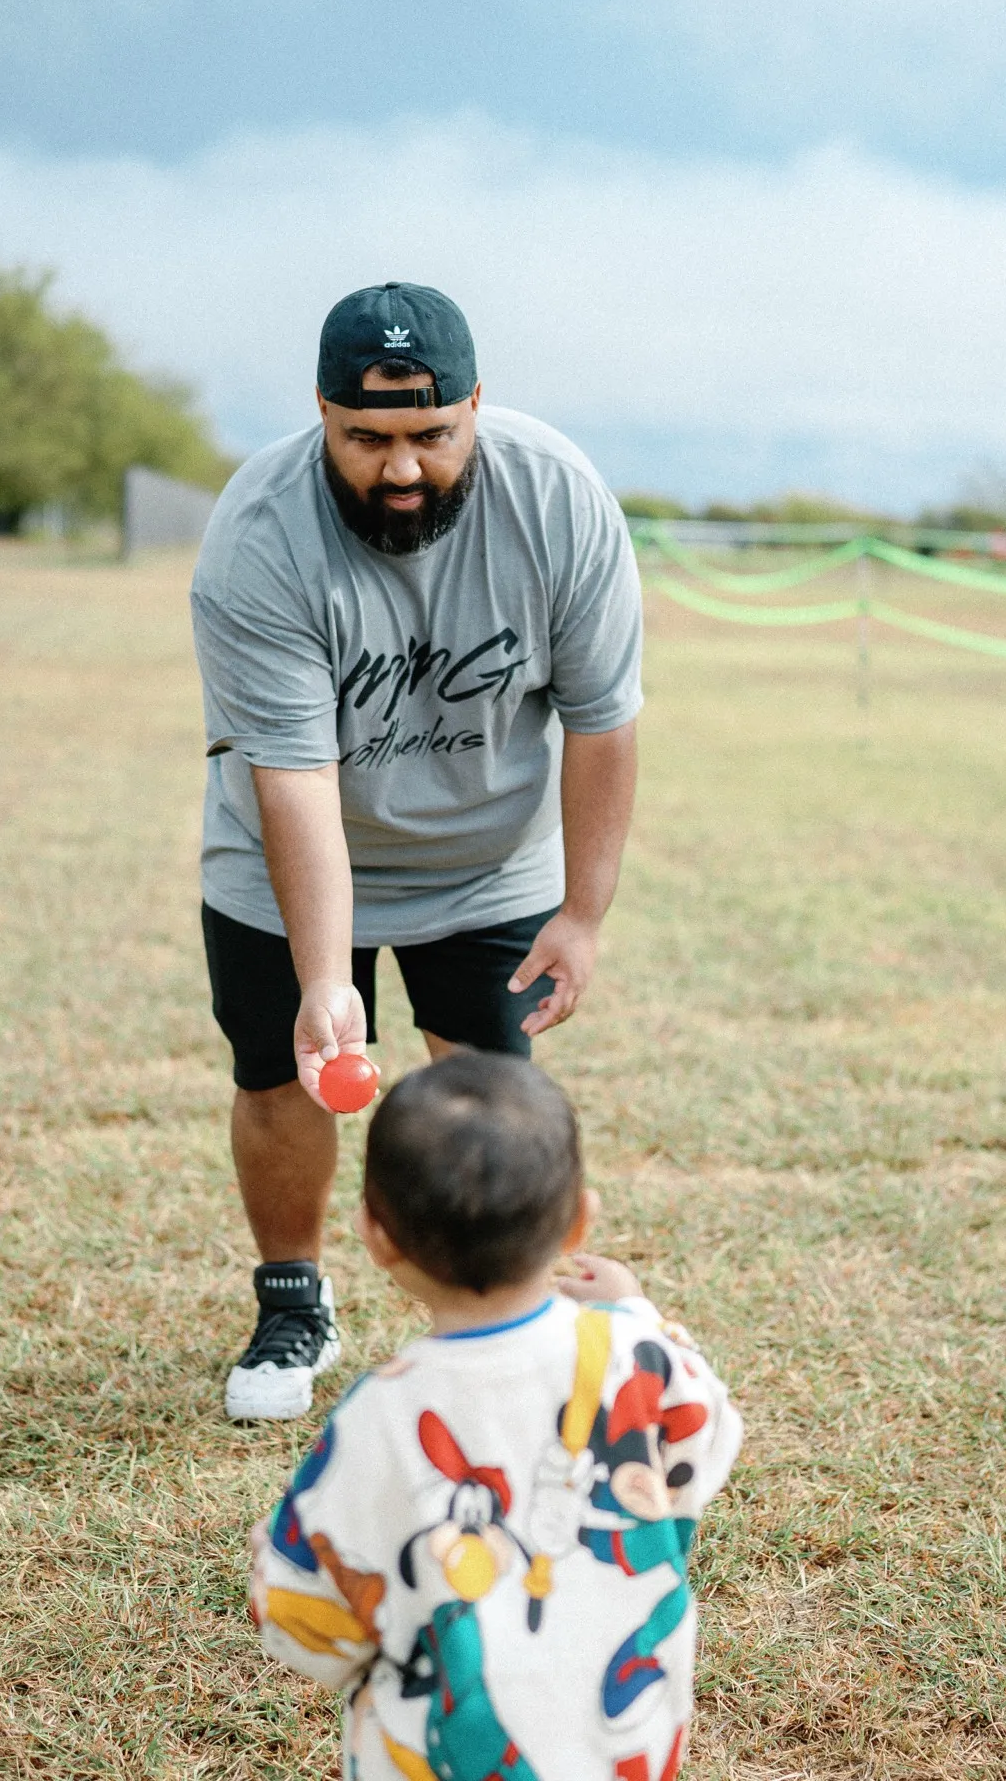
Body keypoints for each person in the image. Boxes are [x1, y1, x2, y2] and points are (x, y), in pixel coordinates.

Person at [191, 282, 643, 1420]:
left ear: (478, 406)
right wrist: (323, 980)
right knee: (280, 1075)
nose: (401, 469)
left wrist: (582, 914)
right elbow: (293, 776)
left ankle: (514, 1320)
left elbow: (604, 720)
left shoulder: (560, 503)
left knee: (494, 1099)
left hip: (488, 862)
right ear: (322, 414)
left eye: (431, 436)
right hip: (283, 854)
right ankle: (294, 1303)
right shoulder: (259, 536)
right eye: (368, 439)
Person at [248, 1053, 742, 1781]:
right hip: (623, 1742)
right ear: (580, 1221)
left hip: (437, 1755)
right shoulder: (633, 1354)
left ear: (376, 1234)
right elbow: (712, 1445)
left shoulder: (381, 1415)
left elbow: (303, 1613)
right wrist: (635, 1312)